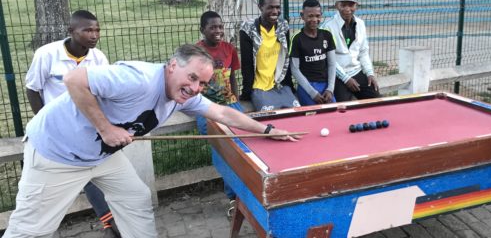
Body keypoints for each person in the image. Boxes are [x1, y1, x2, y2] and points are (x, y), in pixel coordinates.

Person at [4, 44, 300, 238]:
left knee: (135, 198)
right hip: (56, 154)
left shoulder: (182, 96)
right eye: (192, 77)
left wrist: (266, 130)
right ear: (172, 65)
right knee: (32, 230)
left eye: (202, 83)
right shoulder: (138, 79)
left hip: (100, 157)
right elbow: (74, 80)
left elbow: (223, 113)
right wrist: (107, 129)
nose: (196, 88)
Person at [24, 10, 119, 237]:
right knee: (76, 174)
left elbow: (105, 91)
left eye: (97, 30)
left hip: (88, 125)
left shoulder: (98, 58)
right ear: (71, 31)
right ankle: (110, 226)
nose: (94, 35)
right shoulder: (47, 54)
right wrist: (44, 121)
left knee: (95, 172)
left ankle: (111, 225)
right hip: (56, 130)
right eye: (87, 30)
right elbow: (32, 89)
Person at [194, 11, 242, 216]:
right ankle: (233, 198)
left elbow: (232, 78)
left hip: (229, 104)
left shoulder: (229, 49)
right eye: (213, 27)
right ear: (202, 29)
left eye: (220, 27)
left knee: (246, 148)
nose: (218, 31)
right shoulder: (195, 52)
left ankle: (248, 193)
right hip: (206, 107)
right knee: (224, 151)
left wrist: (237, 102)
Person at [240, 0, 300, 111]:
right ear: (260, 7)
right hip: (259, 87)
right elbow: (247, 64)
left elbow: (285, 58)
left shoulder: (283, 26)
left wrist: (289, 86)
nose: (275, 11)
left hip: (279, 84)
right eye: (270, 7)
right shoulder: (248, 29)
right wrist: (247, 92)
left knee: (295, 112)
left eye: (278, 7)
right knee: (271, 117)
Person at [321, 0, 380, 102]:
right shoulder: (327, 27)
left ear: (356, 6)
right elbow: (329, 59)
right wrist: (345, 78)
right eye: (343, 5)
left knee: (375, 99)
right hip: (337, 76)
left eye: (351, 5)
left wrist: (370, 73)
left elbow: (363, 52)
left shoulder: (360, 24)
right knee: (344, 106)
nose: (347, 9)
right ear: (337, 5)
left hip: (356, 71)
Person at [289, 0, 337, 105]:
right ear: (302, 16)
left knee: (333, 111)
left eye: (317, 16)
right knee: (314, 114)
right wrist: (312, 93)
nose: (314, 19)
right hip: (307, 86)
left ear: (321, 15)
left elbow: (332, 64)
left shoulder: (327, 35)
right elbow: (295, 69)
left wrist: (330, 89)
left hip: (325, 85)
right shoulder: (297, 38)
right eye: (310, 16)